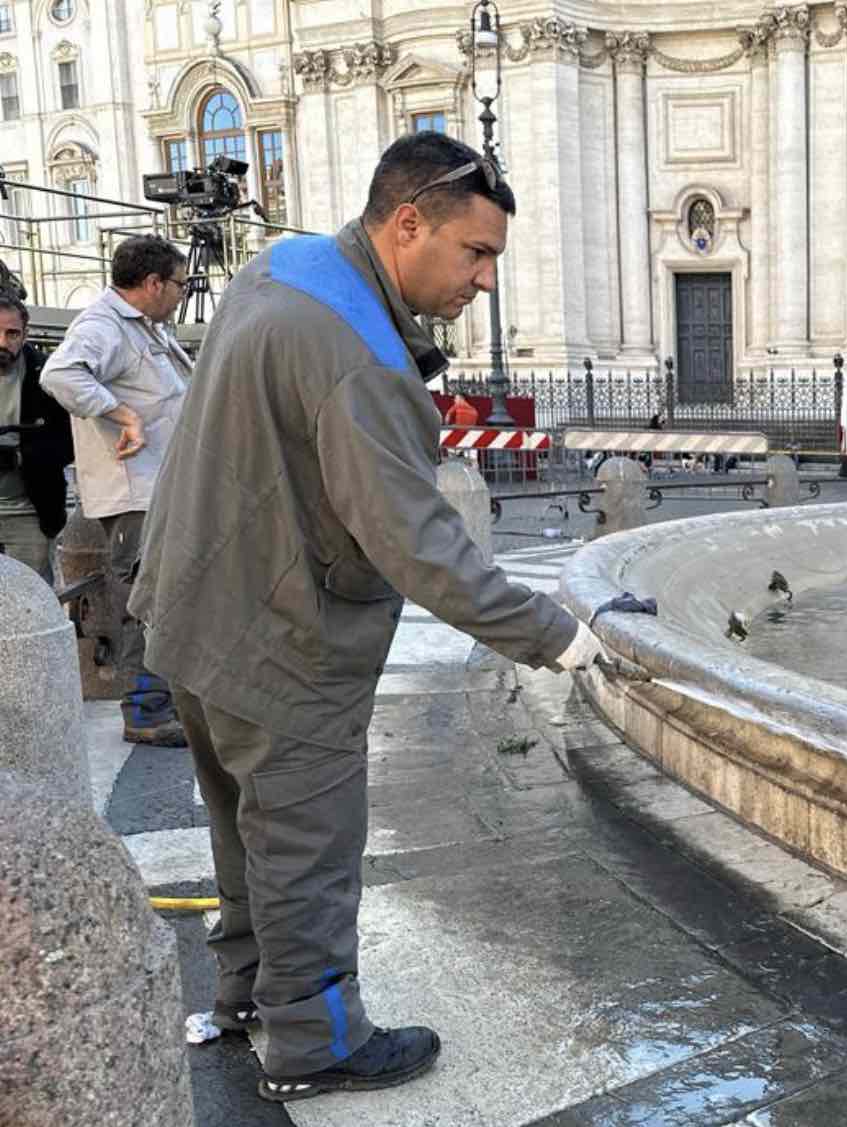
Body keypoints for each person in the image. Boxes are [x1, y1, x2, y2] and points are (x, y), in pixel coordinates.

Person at [129, 133, 608, 1102]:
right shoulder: (361, 358)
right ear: (408, 224)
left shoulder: (283, 267)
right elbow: (418, 543)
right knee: (307, 846)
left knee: (244, 832)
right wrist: (555, 633)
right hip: (281, 639)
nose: (484, 280)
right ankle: (316, 1041)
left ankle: (246, 996)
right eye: (476, 253)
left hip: (189, 609)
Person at [41, 235, 192, 747]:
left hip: (160, 490)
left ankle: (169, 701)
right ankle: (147, 711)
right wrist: (124, 415)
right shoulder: (103, 325)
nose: (183, 293)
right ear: (153, 283)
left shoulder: (142, 326)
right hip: (135, 496)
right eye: (180, 284)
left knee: (168, 599)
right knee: (147, 601)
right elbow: (61, 374)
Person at [0, 295, 74, 582]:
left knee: (32, 598)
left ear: (25, 334)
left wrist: (21, 457)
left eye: (12, 333)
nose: (3, 342)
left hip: (29, 514)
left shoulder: (48, 376)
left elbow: (69, 441)